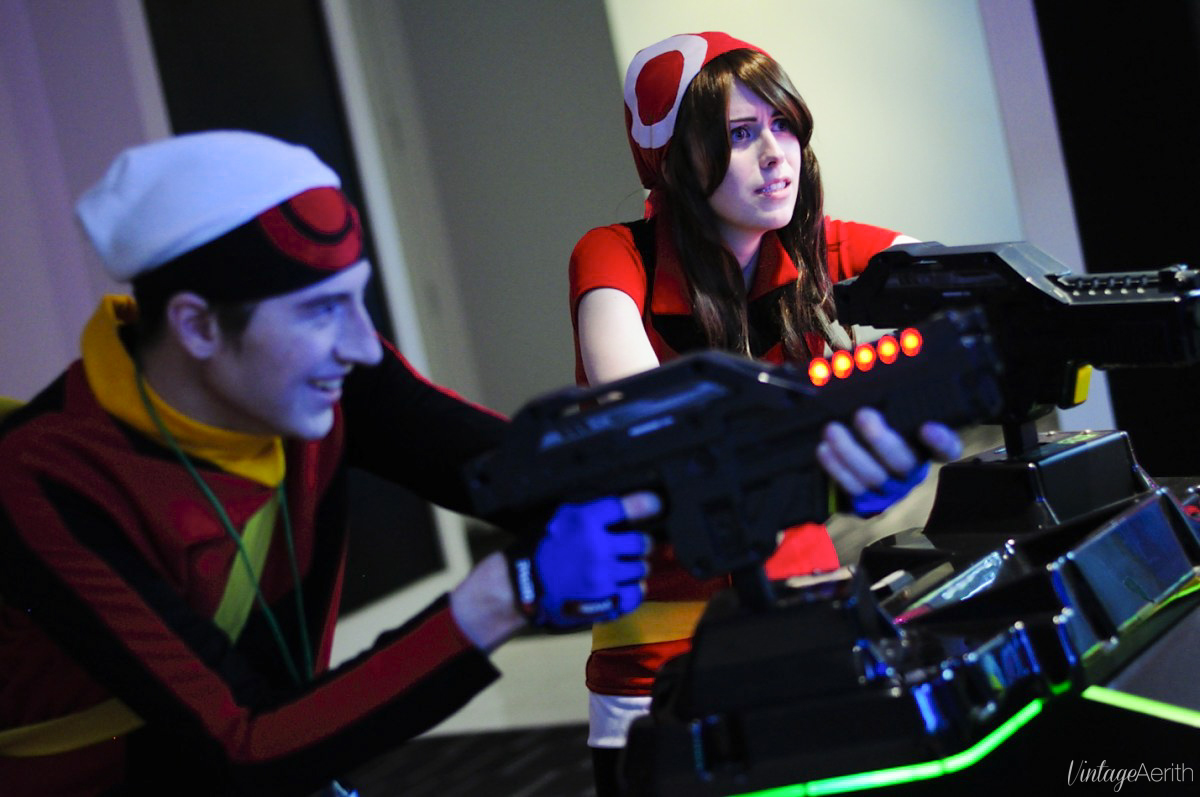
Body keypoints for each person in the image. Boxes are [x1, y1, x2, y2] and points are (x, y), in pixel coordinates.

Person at [0, 130, 657, 796]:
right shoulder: (41, 474)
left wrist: (670, 464)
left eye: (356, 300)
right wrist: (505, 596)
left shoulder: (330, 378)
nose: (362, 347)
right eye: (320, 311)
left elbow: (519, 470)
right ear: (196, 326)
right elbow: (239, 744)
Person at [568, 32, 963, 794]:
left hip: (804, 615)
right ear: (674, 158)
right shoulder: (614, 255)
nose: (777, 153)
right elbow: (650, 418)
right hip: (661, 655)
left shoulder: (813, 248)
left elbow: (964, 287)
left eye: (783, 124)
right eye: (742, 134)